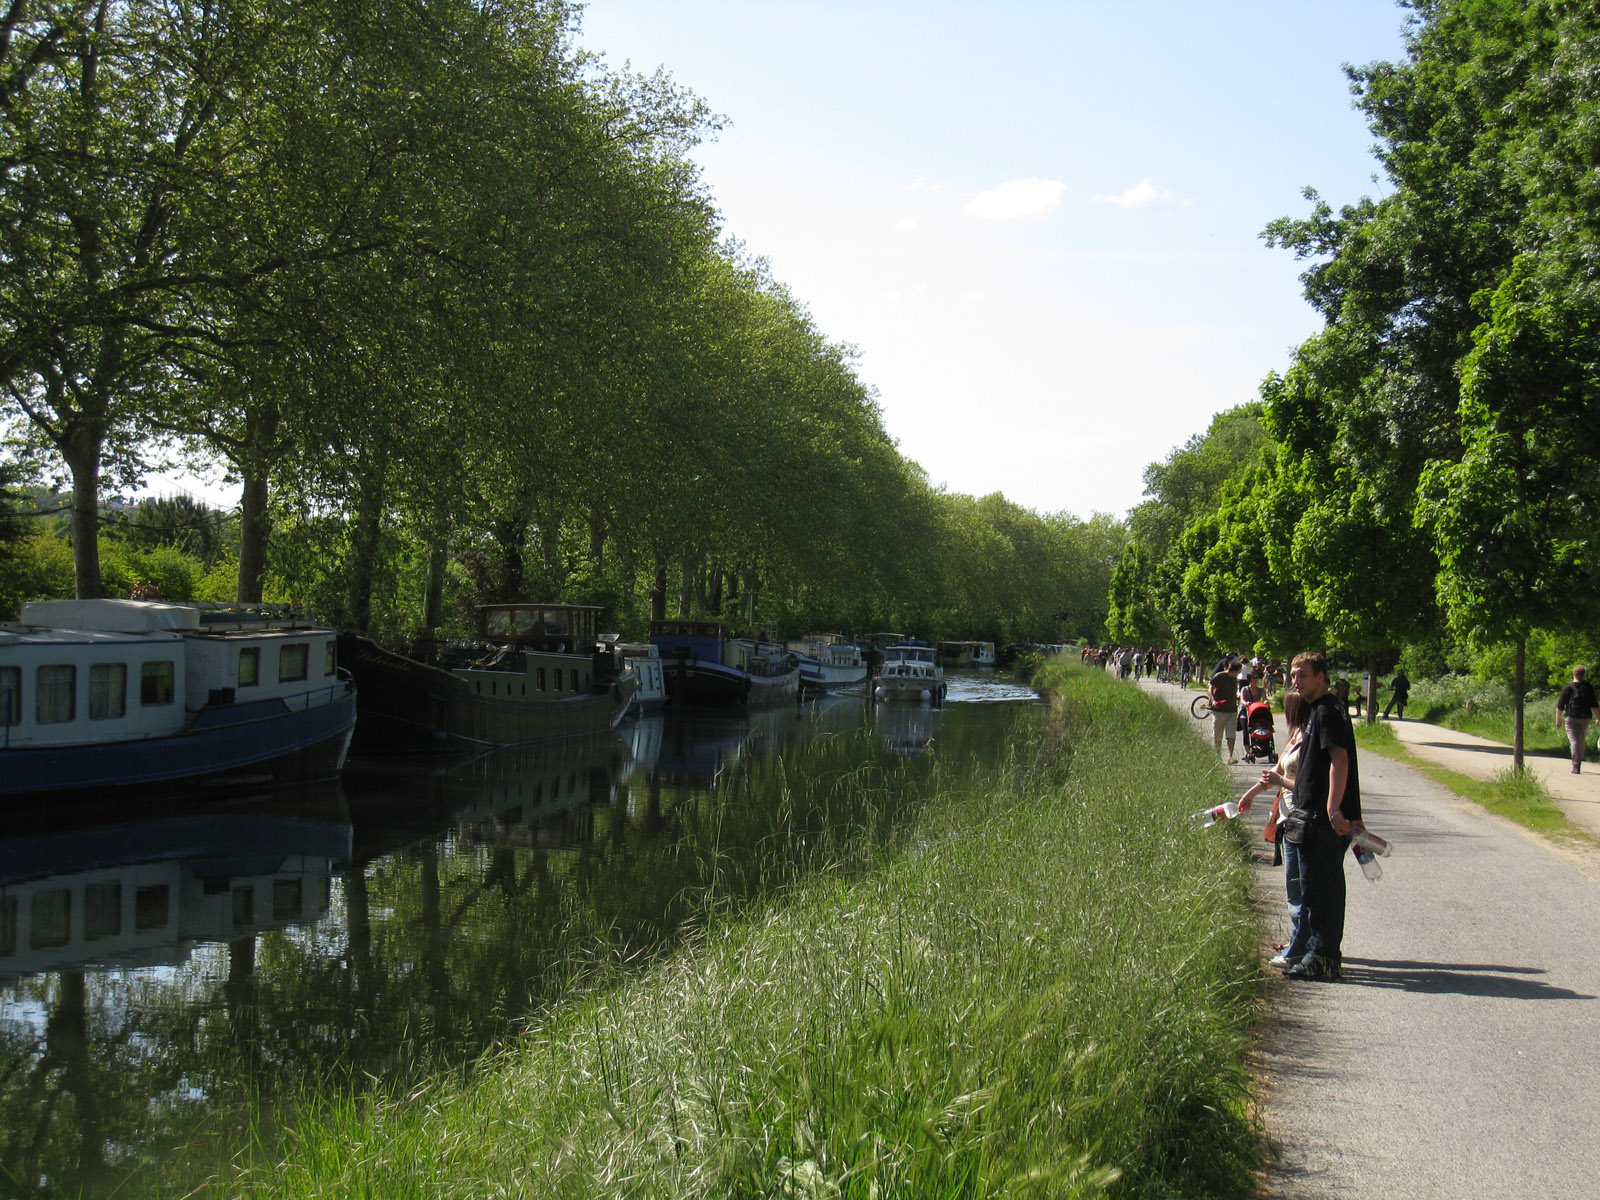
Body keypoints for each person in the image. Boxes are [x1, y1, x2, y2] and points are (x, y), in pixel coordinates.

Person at [1280, 651, 1361, 981]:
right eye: (1293, 674)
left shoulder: (1327, 711)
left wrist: (1333, 809)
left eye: (1302, 674)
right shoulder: (1319, 710)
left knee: (1322, 891)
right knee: (1315, 889)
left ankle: (1323, 957)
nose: (1295, 680)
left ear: (1322, 677)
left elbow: (1339, 762)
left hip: (1322, 821)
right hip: (1312, 817)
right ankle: (1320, 954)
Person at [1237, 691, 1309, 966]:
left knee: (1298, 884)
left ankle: (1299, 948)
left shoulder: (1309, 740)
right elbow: (1275, 774)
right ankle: (1297, 938)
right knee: (1294, 883)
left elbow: (1299, 782)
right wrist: (1251, 793)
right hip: (1286, 816)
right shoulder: (1294, 738)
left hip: (1301, 818)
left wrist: (1280, 780)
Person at [1556, 666, 1599, 774]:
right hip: (1585, 717)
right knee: (1581, 739)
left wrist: (1558, 720)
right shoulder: (1588, 687)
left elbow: (1560, 706)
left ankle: (1576, 765)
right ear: (1583, 674)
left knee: (1574, 740)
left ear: (1574, 674)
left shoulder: (1568, 687)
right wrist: (1599, 718)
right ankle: (1579, 759)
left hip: (1571, 717)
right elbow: (1594, 705)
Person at [1209, 657, 1240, 763]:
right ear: (1235, 671)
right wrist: (1213, 700)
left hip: (1232, 710)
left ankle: (1230, 756)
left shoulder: (1234, 678)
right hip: (1219, 710)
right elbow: (1210, 689)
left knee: (1231, 734)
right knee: (1218, 734)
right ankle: (1217, 757)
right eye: (1238, 672)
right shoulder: (1219, 676)